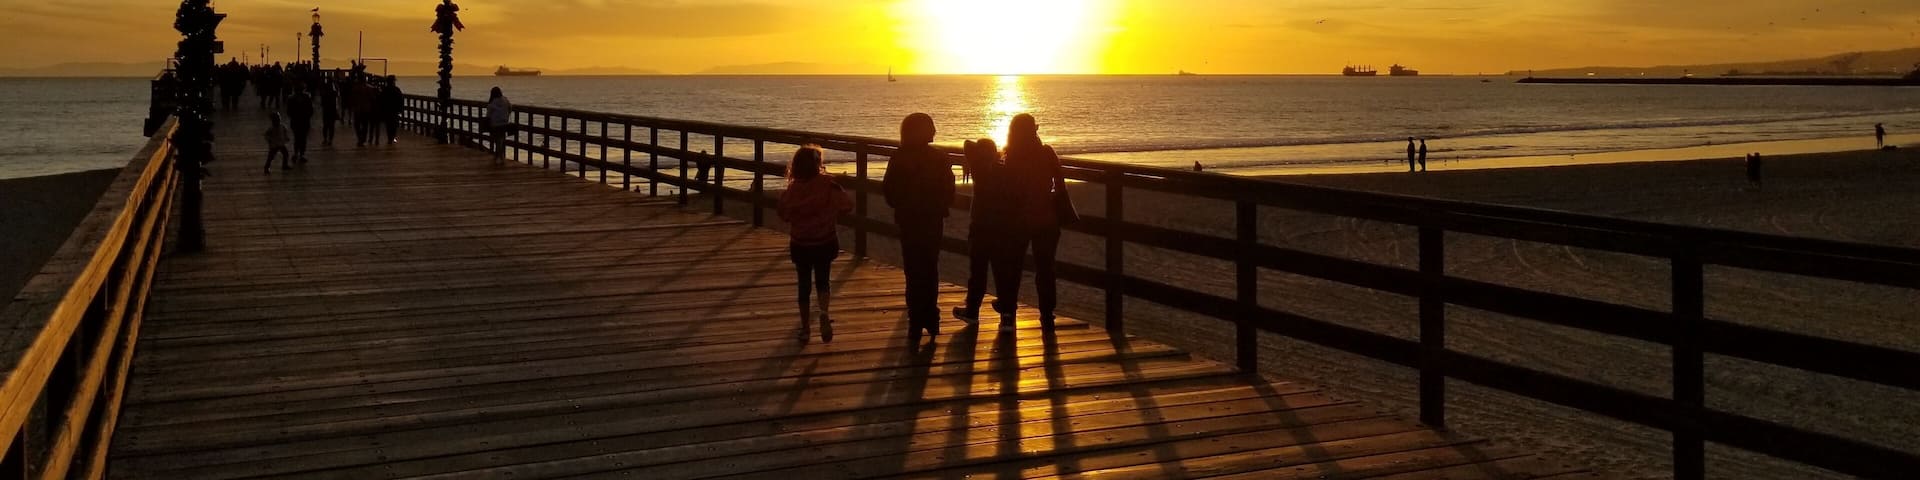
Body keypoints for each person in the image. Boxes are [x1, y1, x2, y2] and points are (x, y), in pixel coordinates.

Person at [882, 113, 955, 345]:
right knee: (930, 269)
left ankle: (916, 322)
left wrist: (903, 204)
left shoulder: (900, 156)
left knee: (913, 271)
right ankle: (931, 319)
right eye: (931, 127)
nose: (935, 131)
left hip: (909, 220)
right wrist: (939, 205)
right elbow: (949, 190)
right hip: (932, 220)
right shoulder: (940, 158)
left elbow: (889, 191)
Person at [995, 114, 1064, 331]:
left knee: (1012, 266)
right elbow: (1059, 181)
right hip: (1046, 217)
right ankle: (1047, 315)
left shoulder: (1012, 156)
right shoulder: (1047, 153)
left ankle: (1007, 315)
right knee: (1045, 267)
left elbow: (1006, 189)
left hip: (1018, 218)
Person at [778, 146, 853, 343]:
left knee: (803, 284)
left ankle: (804, 328)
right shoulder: (829, 184)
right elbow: (847, 205)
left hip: (801, 243)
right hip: (824, 241)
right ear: (818, 164)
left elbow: (783, 213)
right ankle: (824, 313)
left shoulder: (793, 188)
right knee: (823, 281)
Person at [953, 138, 1007, 325]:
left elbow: (967, 144)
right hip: (1001, 226)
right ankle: (1007, 317)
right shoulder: (1004, 169)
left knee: (978, 271)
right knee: (1002, 270)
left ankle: (973, 310)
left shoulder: (978, 168)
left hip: (981, 225)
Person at [286, 87, 314, 163]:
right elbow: (311, 110)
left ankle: (298, 154)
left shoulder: (291, 98)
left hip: (298, 121)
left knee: (298, 138)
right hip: (302, 121)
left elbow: (288, 111)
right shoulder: (306, 97)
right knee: (301, 138)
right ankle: (300, 154)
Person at [487, 87, 514, 164]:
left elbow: (488, 115)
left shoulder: (492, 103)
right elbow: (510, 107)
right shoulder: (505, 100)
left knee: (497, 140)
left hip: (495, 124)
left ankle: (497, 157)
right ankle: (500, 157)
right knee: (501, 140)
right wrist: (507, 114)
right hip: (504, 123)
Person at [379, 76, 405, 145]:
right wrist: (401, 109)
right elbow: (401, 99)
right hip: (394, 110)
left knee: (388, 125)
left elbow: (381, 100)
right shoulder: (396, 89)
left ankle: (390, 138)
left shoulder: (385, 90)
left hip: (387, 110)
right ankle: (392, 137)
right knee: (394, 125)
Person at [319, 81, 339, 147]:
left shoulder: (324, 94)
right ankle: (330, 139)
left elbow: (322, 104)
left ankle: (325, 139)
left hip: (326, 110)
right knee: (331, 126)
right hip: (332, 110)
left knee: (325, 126)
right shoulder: (334, 93)